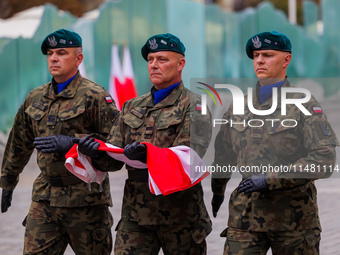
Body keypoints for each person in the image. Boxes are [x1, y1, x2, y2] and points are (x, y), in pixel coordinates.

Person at [75, 33, 212, 254]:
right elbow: (113, 158)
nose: (154, 65)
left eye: (162, 59)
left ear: (180, 64)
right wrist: (95, 153)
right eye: (150, 60)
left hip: (180, 214)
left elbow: (191, 153)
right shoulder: (131, 106)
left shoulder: (195, 105)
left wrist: (148, 155)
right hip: (136, 213)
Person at [211, 31, 339, 255]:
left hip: (294, 221)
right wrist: (217, 189)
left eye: (268, 55)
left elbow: (324, 159)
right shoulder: (238, 104)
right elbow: (223, 152)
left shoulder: (303, 104)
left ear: (286, 60)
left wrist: (270, 179)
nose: (259, 60)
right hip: (246, 217)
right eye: (256, 55)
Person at [0, 29, 121, 254]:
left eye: (61, 53)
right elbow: (19, 141)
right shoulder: (35, 97)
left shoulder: (95, 96)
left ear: (78, 59)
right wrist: (8, 182)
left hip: (86, 202)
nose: (53, 58)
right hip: (45, 198)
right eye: (50, 53)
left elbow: (115, 150)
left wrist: (74, 143)